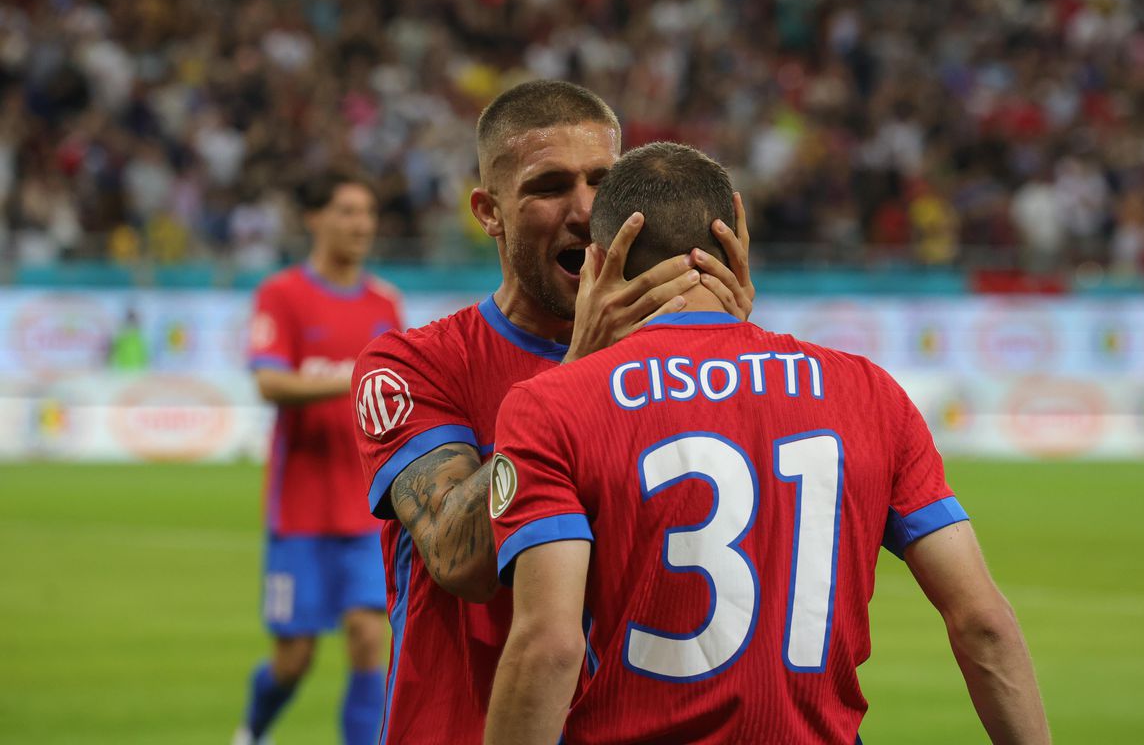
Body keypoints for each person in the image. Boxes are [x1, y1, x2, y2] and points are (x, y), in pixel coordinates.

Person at [485, 142, 1051, 745]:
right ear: (737, 241)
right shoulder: (867, 391)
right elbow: (982, 622)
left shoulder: (552, 404)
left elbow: (548, 644)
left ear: (599, 259)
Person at [351, 81, 754, 744]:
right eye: (549, 186)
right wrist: (579, 368)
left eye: (604, 180)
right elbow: (461, 563)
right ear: (489, 211)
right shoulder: (414, 365)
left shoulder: (669, 372)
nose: (586, 209)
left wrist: (721, 354)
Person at [236, 173, 404, 745]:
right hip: (301, 510)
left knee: (367, 636)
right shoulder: (282, 295)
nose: (361, 225)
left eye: (368, 213)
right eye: (347, 211)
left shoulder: (385, 302)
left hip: (366, 510)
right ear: (314, 219)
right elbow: (269, 381)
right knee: (294, 659)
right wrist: (348, 376)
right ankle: (251, 731)